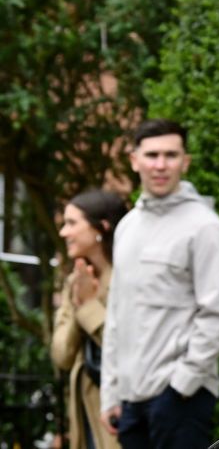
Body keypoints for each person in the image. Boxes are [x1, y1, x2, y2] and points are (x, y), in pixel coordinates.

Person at [98, 119, 219, 448]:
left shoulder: (206, 228)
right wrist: (110, 394)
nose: (160, 165)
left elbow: (218, 315)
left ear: (185, 162)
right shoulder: (127, 227)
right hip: (130, 403)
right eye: (152, 155)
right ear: (134, 160)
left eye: (171, 155)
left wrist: (180, 387)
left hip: (182, 400)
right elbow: (117, 316)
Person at [51, 189, 128, 449]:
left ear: (101, 227)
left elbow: (129, 348)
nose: (64, 233)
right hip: (84, 416)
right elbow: (61, 355)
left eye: (72, 223)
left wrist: (89, 306)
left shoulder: (129, 277)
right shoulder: (75, 280)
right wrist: (79, 302)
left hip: (122, 410)